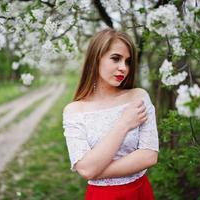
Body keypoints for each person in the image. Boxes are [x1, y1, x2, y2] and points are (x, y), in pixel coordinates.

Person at [62, 28, 159, 200]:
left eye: (128, 62)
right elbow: (85, 169)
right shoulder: (75, 111)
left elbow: (149, 155)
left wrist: (96, 171)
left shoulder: (138, 97)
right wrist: (124, 124)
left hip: (139, 192)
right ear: (96, 58)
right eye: (116, 58)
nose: (124, 68)